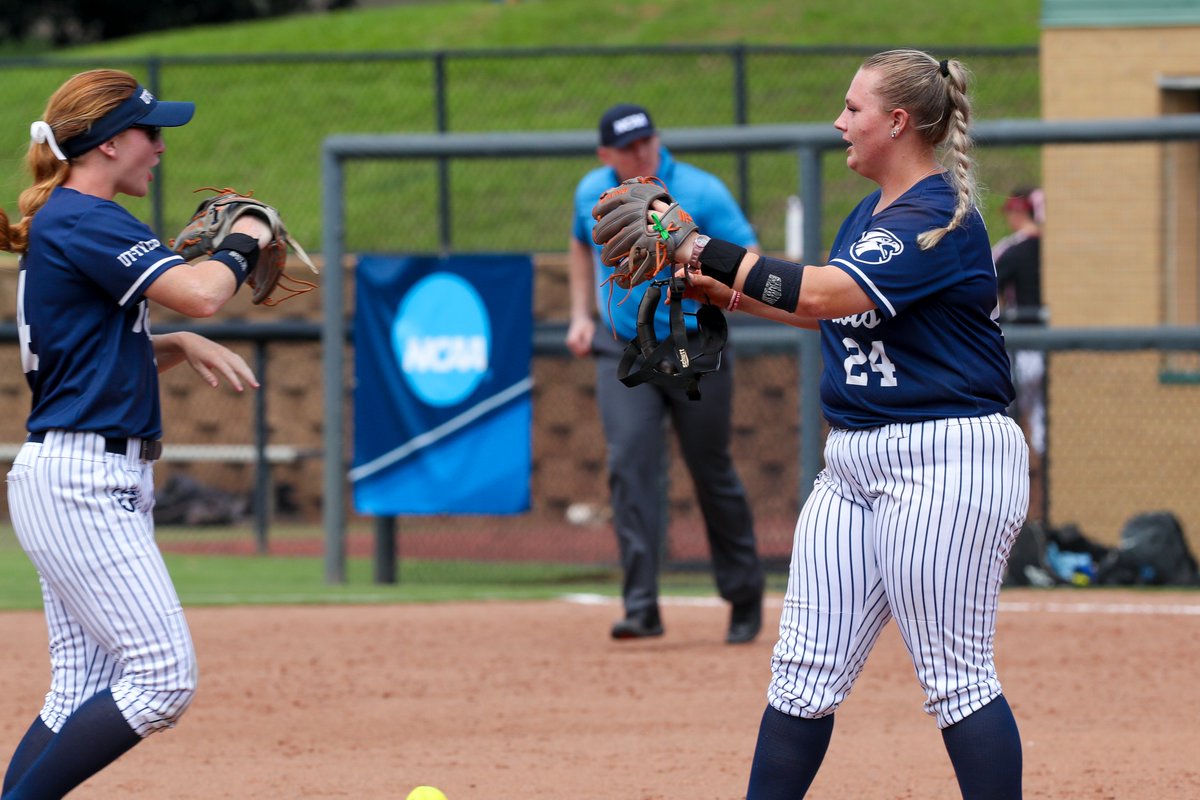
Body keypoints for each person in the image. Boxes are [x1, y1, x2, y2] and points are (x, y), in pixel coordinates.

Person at [596, 51, 1030, 798]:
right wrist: (717, 288)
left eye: (854, 108)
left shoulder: (937, 219)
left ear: (897, 122)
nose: (840, 122)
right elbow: (818, 307)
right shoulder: (872, 215)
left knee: (955, 679)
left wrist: (702, 246)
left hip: (947, 460)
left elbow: (827, 292)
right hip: (856, 461)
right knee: (802, 673)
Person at [0, 69, 273, 799]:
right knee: (161, 678)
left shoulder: (67, 218)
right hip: (82, 481)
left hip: (75, 473)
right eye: (151, 133)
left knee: (77, 690)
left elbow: (83, 357)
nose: (159, 147)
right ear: (111, 142)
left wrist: (174, 345)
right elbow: (206, 291)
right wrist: (246, 237)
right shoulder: (89, 220)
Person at [566, 103, 766, 644]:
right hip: (625, 348)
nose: (639, 153)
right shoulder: (593, 192)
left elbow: (751, 252)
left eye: (645, 142)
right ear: (606, 154)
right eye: (627, 147)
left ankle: (744, 596)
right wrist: (580, 314)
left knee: (710, 469)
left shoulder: (699, 190)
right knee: (629, 465)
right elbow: (581, 246)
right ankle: (640, 606)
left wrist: (704, 272)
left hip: (693, 343)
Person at [993, 187, 1047, 520]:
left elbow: (990, 290)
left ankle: (1019, 496)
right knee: (1040, 421)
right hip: (1046, 347)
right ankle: (1041, 501)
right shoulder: (1050, 248)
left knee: (1008, 418)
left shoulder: (1014, 250)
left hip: (1023, 347)